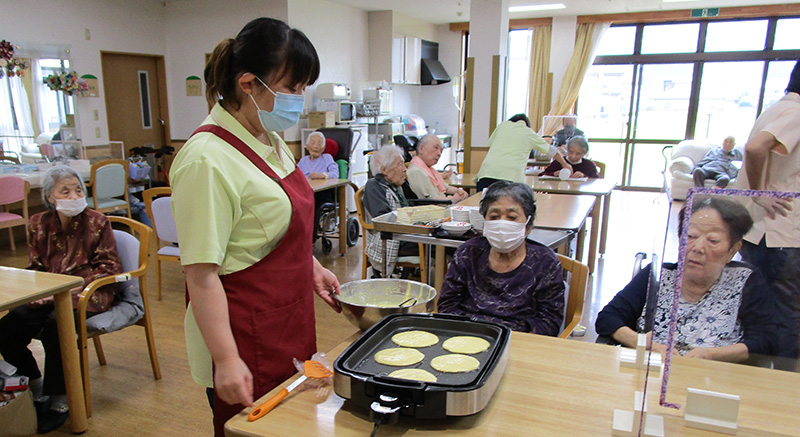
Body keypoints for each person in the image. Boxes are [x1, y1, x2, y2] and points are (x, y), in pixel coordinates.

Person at [169, 18, 341, 436]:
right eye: (293, 88)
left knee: (293, 425)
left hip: (288, 318)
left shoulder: (269, 139)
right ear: (249, 83)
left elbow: (270, 229)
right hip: (243, 333)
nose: (300, 100)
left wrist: (311, 267)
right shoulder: (205, 159)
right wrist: (226, 358)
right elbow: (201, 273)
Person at [0, 165, 122, 433]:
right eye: (64, 191)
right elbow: (35, 267)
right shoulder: (38, 224)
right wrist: (39, 291)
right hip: (49, 292)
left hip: (90, 291)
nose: (73, 195)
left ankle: (61, 401)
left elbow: (110, 268)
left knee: (58, 325)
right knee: (8, 326)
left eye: (78, 189)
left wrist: (70, 287)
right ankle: (36, 386)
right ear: (50, 197)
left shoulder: (97, 222)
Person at [595, 197, 777, 362]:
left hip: (717, 380)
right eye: (690, 236)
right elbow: (608, 318)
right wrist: (643, 342)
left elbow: (765, 340)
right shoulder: (657, 275)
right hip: (651, 377)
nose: (698, 248)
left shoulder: (746, 281)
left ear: (733, 250)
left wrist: (709, 355)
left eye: (713, 240)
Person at [437, 181, 565, 334]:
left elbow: (550, 320)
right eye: (494, 216)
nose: (502, 223)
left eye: (511, 217)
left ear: (528, 225)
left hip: (519, 341)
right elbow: (448, 305)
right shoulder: (468, 253)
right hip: (469, 335)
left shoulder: (545, 262)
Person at [737, 59, 800, 360]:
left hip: (762, 229)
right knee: (788, 313)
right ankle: (784, 384)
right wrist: (759, 192)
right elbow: (755, 147)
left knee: (762, 307)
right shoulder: (796, 111)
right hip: (777, 232)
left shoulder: (778, 107)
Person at [362, 145, 419, 276]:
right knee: (442, 243)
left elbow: (412, 204)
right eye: (400, 164)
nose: (405, 169)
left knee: (446, 238)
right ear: (385, 170)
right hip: (393, 239)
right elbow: (384, 218)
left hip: (407, 234)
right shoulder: (373, 186)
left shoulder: (396, 186)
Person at [476, 114, 572, 192]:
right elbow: (551, 151)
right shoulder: (528, 132)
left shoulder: (502, 126)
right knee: (507, 208)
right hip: (510, 175)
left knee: (480, 207)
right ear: (527, 124)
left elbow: (490, 145)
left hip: (487, 172)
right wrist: (565, 164)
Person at [406, 135, 468, 203]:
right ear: (421, 148)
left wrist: (458, 191)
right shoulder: (416, 171)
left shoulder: (430, 169)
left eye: (441, 151)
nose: (439, 153)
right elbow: (432, 200)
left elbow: (446, 188)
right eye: (436, 148)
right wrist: (453, 199)